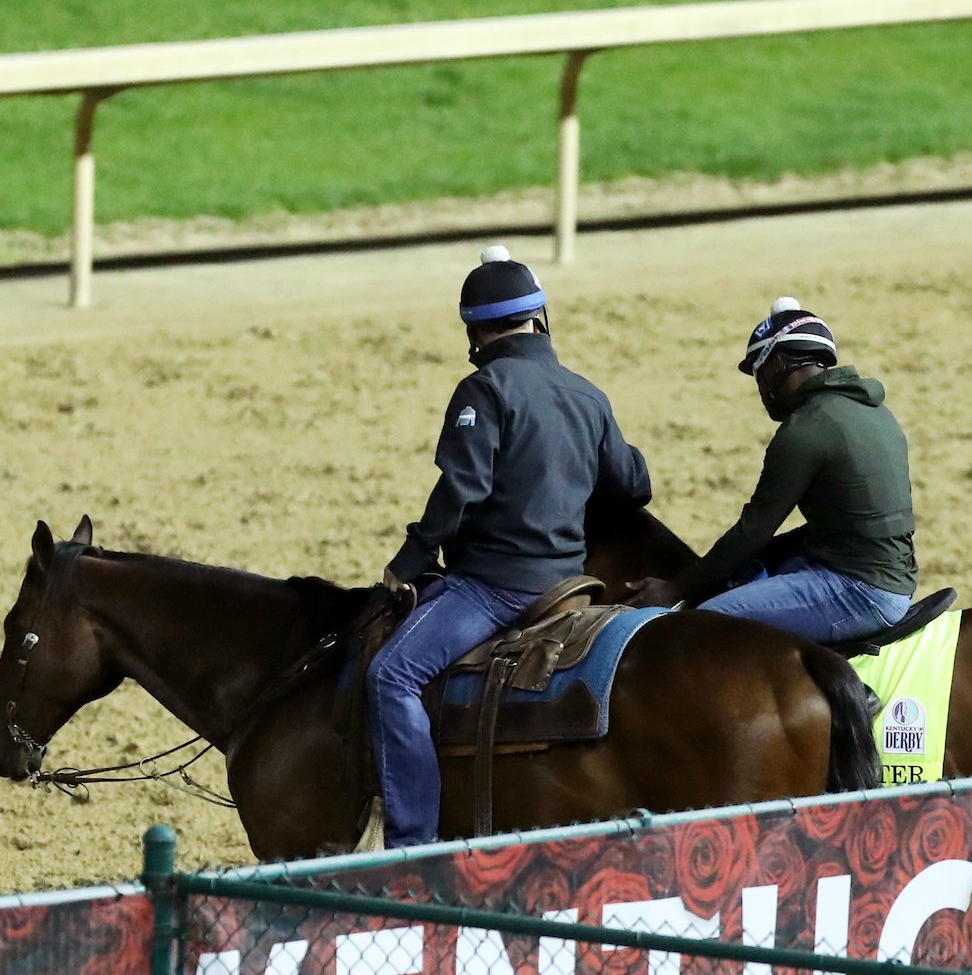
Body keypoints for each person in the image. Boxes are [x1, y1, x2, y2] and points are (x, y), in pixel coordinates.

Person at [368, 246, 654, 849]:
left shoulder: (483, 390)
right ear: (540, 318)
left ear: (475, 332)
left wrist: (410, 561)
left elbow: (461, 489)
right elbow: (632, 486)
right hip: (570, 585)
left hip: (495, 589)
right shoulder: (586, 394)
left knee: (392, 675)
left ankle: (410, 842)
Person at [629, 299, 916, 641]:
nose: (761, 389)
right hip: (890, 572)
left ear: (778, 364)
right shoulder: (873, 409)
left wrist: (675, 588)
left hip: (861, 589)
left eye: (759, 372)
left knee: (707, 621)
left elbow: (753, 531)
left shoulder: (805, 429)